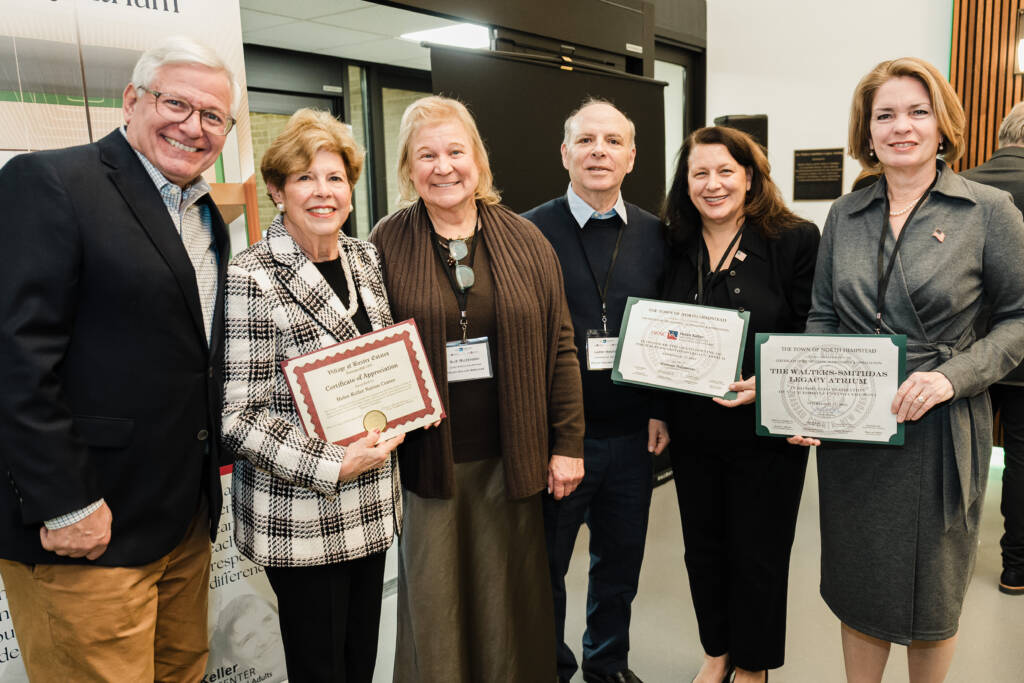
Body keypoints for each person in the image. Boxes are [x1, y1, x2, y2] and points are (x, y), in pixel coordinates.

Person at [0, 36, 238, 682]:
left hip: (181, 523)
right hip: (86, 530)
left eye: (213, 116)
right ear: (132, 100)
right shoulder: (51, 181)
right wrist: (68, 503)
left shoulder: (205, 216)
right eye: (176, 103)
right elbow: (16, 358)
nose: (193, 126)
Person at [798, 57, 1024, 683]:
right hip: (856, 431)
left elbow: (1019, 319)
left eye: (917, 112)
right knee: (858, 582)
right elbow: (823, 316)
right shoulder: (845, 214)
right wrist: (807, 398)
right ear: (866, 132)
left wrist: (953, 377)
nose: (902, 127)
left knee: (933, 593)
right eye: (885, 115)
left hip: (939, 429)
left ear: (942, 124)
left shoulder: (988, 210)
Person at [369, 95, 585, 682]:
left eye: (455, 152)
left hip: (512, 458)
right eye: (427, 155)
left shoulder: (528, 240)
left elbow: (561, 347)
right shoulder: (385, 243)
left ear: (478, 161)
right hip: (429, 463)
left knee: (510, 599)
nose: (444, 167)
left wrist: (567, 444)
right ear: (409, 169)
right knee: (436, 602)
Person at [220, 108, 404, 683]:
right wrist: (333, 462)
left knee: (360, 659)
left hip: (372, 502)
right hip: (303, 514)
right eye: (304, 178)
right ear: (277, 191)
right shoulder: (252, 273)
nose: (323, 192)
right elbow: (237, 416)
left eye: (334, 177)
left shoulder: (366, 259)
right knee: (321, 668)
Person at [661, 126, 819, 683]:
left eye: (725, 171)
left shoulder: (794, 239)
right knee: (702, 548)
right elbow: (657, 337)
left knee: (759, 554)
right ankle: (716, 651)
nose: (712, 184)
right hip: (693, 425)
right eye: (699, 172)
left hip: (766, 426)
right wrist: (658, 410)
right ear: (686, 181)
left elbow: (810, 330)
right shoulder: (672, 241)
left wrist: (776, 389)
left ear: (750, 177)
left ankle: (752, 665)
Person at [522, 98, 669, 683]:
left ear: (631, 157)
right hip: (558, 440)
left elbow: (671, 330)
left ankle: (607, 664)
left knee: (620, 564)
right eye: (586, 140)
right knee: (546, 568)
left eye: (612, 141)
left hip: (633, 438)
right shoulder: (528, 232)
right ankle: (550, 668)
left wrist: (661, 408)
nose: (599, 151)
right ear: (565, 153)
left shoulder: (659, 236)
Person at [960, 101, 1024, 596]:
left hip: (961, 352)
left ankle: (951, 558)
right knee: (1022, 457)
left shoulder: (961, 186)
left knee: (965, 453)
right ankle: (1016, 566)